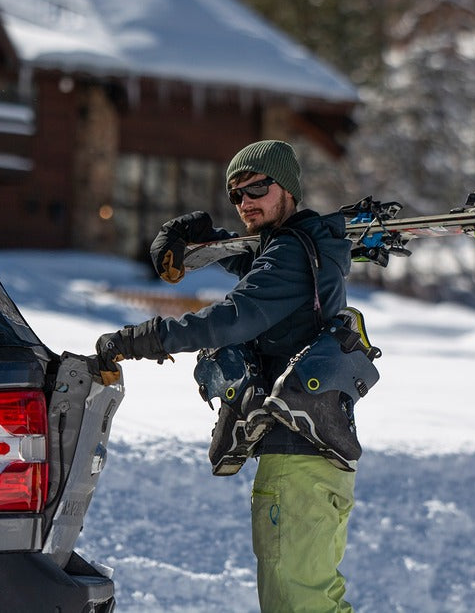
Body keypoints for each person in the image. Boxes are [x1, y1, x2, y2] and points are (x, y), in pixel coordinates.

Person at [95, 139, 356, 612]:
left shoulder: (291, 253)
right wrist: (204, 238)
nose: (246, 202)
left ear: (289, 189)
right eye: (237, 194)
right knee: (310, 600)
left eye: (258, 187)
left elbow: (233, 316)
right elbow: (251, 261)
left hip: (298, 458)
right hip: (307, 454)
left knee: (296, 604)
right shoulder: (299, 246)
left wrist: (141, 338)